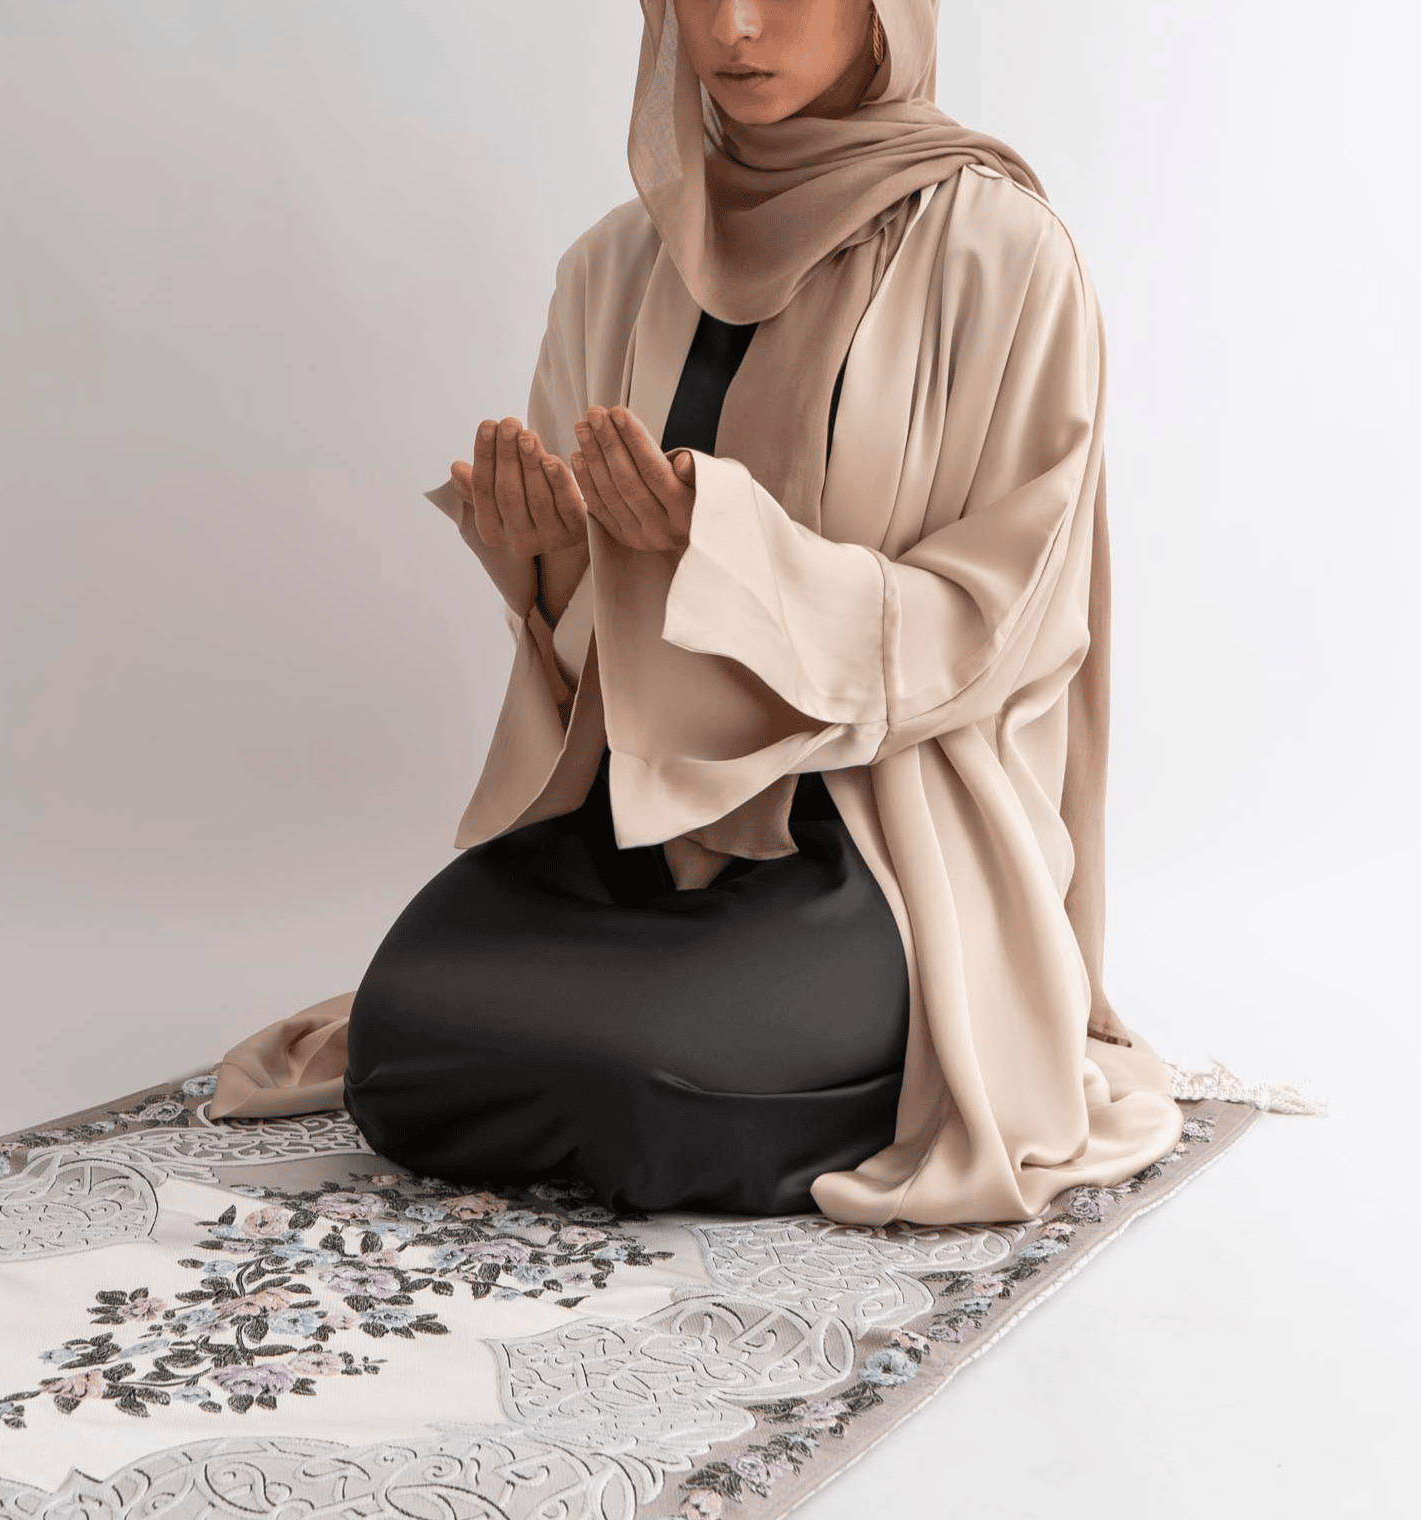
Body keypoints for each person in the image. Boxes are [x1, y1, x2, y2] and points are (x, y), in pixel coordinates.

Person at [205, 0, 1188, 1227]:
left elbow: (1001, 621)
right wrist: (552, 560)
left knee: (653, 1075)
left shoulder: (998, 254)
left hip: (881, 828)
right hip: (647, 805)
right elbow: (602, 657)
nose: (733, 26)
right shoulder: (614, 264)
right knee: (402, 1037)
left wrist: (728, 552)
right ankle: (728, 1044)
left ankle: (867, 1046)